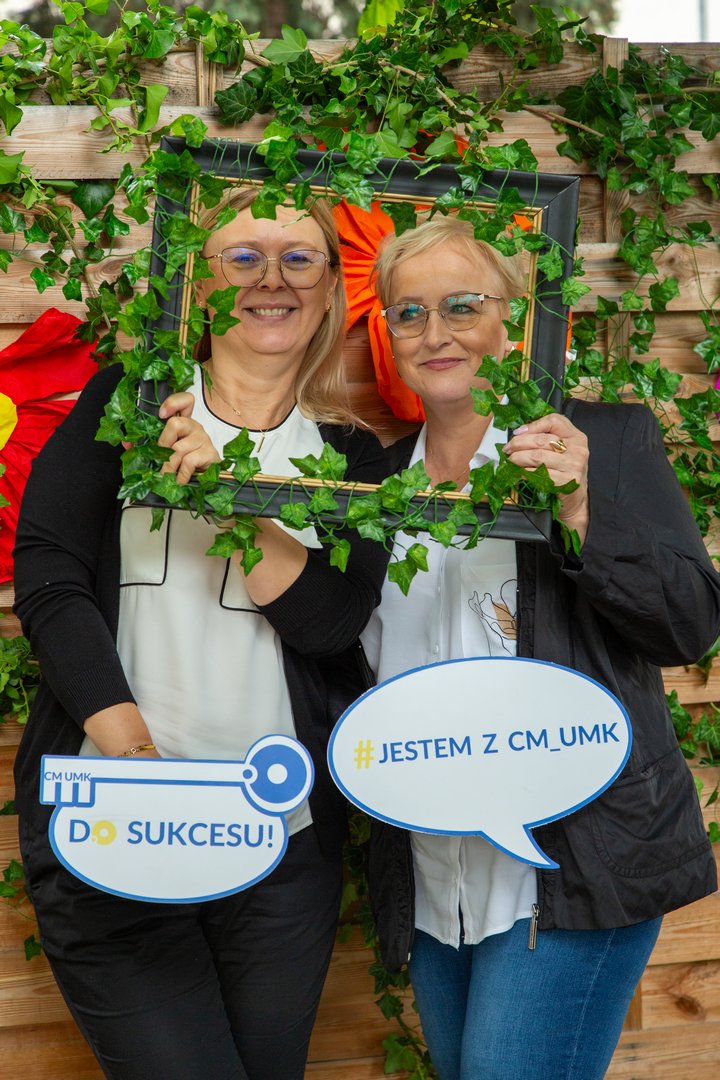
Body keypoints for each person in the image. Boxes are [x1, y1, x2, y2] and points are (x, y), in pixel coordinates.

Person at [12, 188, 388, 1080]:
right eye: (243, 256)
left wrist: (230, 501)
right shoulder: (132, 403)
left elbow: (332, 625)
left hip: (279, 844)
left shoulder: (351, 457)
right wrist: (138, 770)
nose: (272, 279)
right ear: (200, 281)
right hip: (114, 822)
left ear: (330, 292)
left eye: (299, 258)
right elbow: (51, 575)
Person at [360, 215, 720, 1080]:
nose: (436, 332)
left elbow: (688, 624)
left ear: (515, 317)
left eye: (462, 305)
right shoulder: (371, 484)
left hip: (576, 866)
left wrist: (582, 512)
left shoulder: (604, 441)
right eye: (409, 312)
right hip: (434, 877)